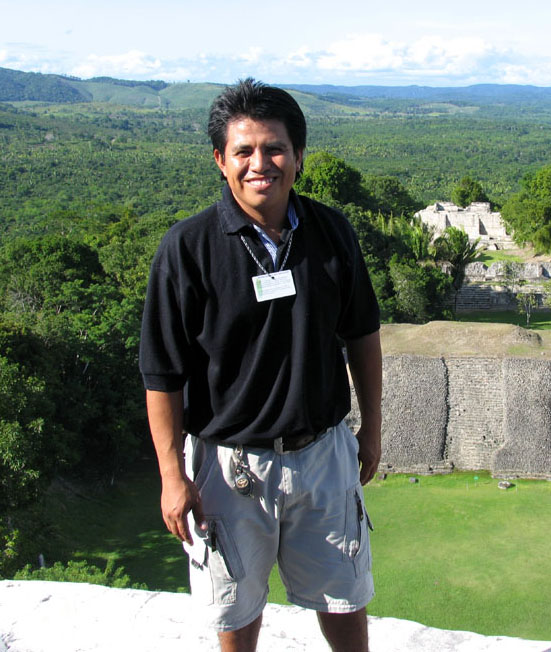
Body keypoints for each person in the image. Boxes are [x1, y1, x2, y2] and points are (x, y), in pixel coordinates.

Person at [139, 78, 382, 652]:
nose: (260, 164)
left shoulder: (330, 232)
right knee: (235, 611)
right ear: (220, 160)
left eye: (274, 148)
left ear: (298, 156)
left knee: (345, 598)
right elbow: (162, 374)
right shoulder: (188, 249)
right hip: (229, 469)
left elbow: (362, 334)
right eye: (243, 151)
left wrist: (371, 428)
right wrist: (173, 476)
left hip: (322, 454)